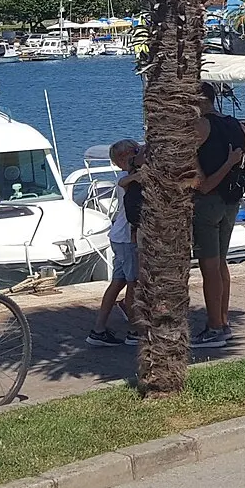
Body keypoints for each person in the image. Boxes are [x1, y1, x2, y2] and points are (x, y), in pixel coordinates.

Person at [188, 83, 245, 348]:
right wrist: (242, 177)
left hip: (208, 203)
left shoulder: (200, 127)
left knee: (209, 267)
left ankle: (215, 327)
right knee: (220, 263)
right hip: (230, 202)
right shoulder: (233, 124)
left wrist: (217, 174)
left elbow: (199, 182)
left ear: (198, 101)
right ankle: (222, 322)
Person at [86, 139, 145, 347]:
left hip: (118, 236)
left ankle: (99, 329)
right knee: (133, 284)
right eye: (135, 152)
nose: (139, 154)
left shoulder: (128, 177)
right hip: (127, 238)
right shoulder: (128, 178)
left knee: (118, 282)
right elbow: (127, 191)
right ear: (124, 158)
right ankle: (134, 330)